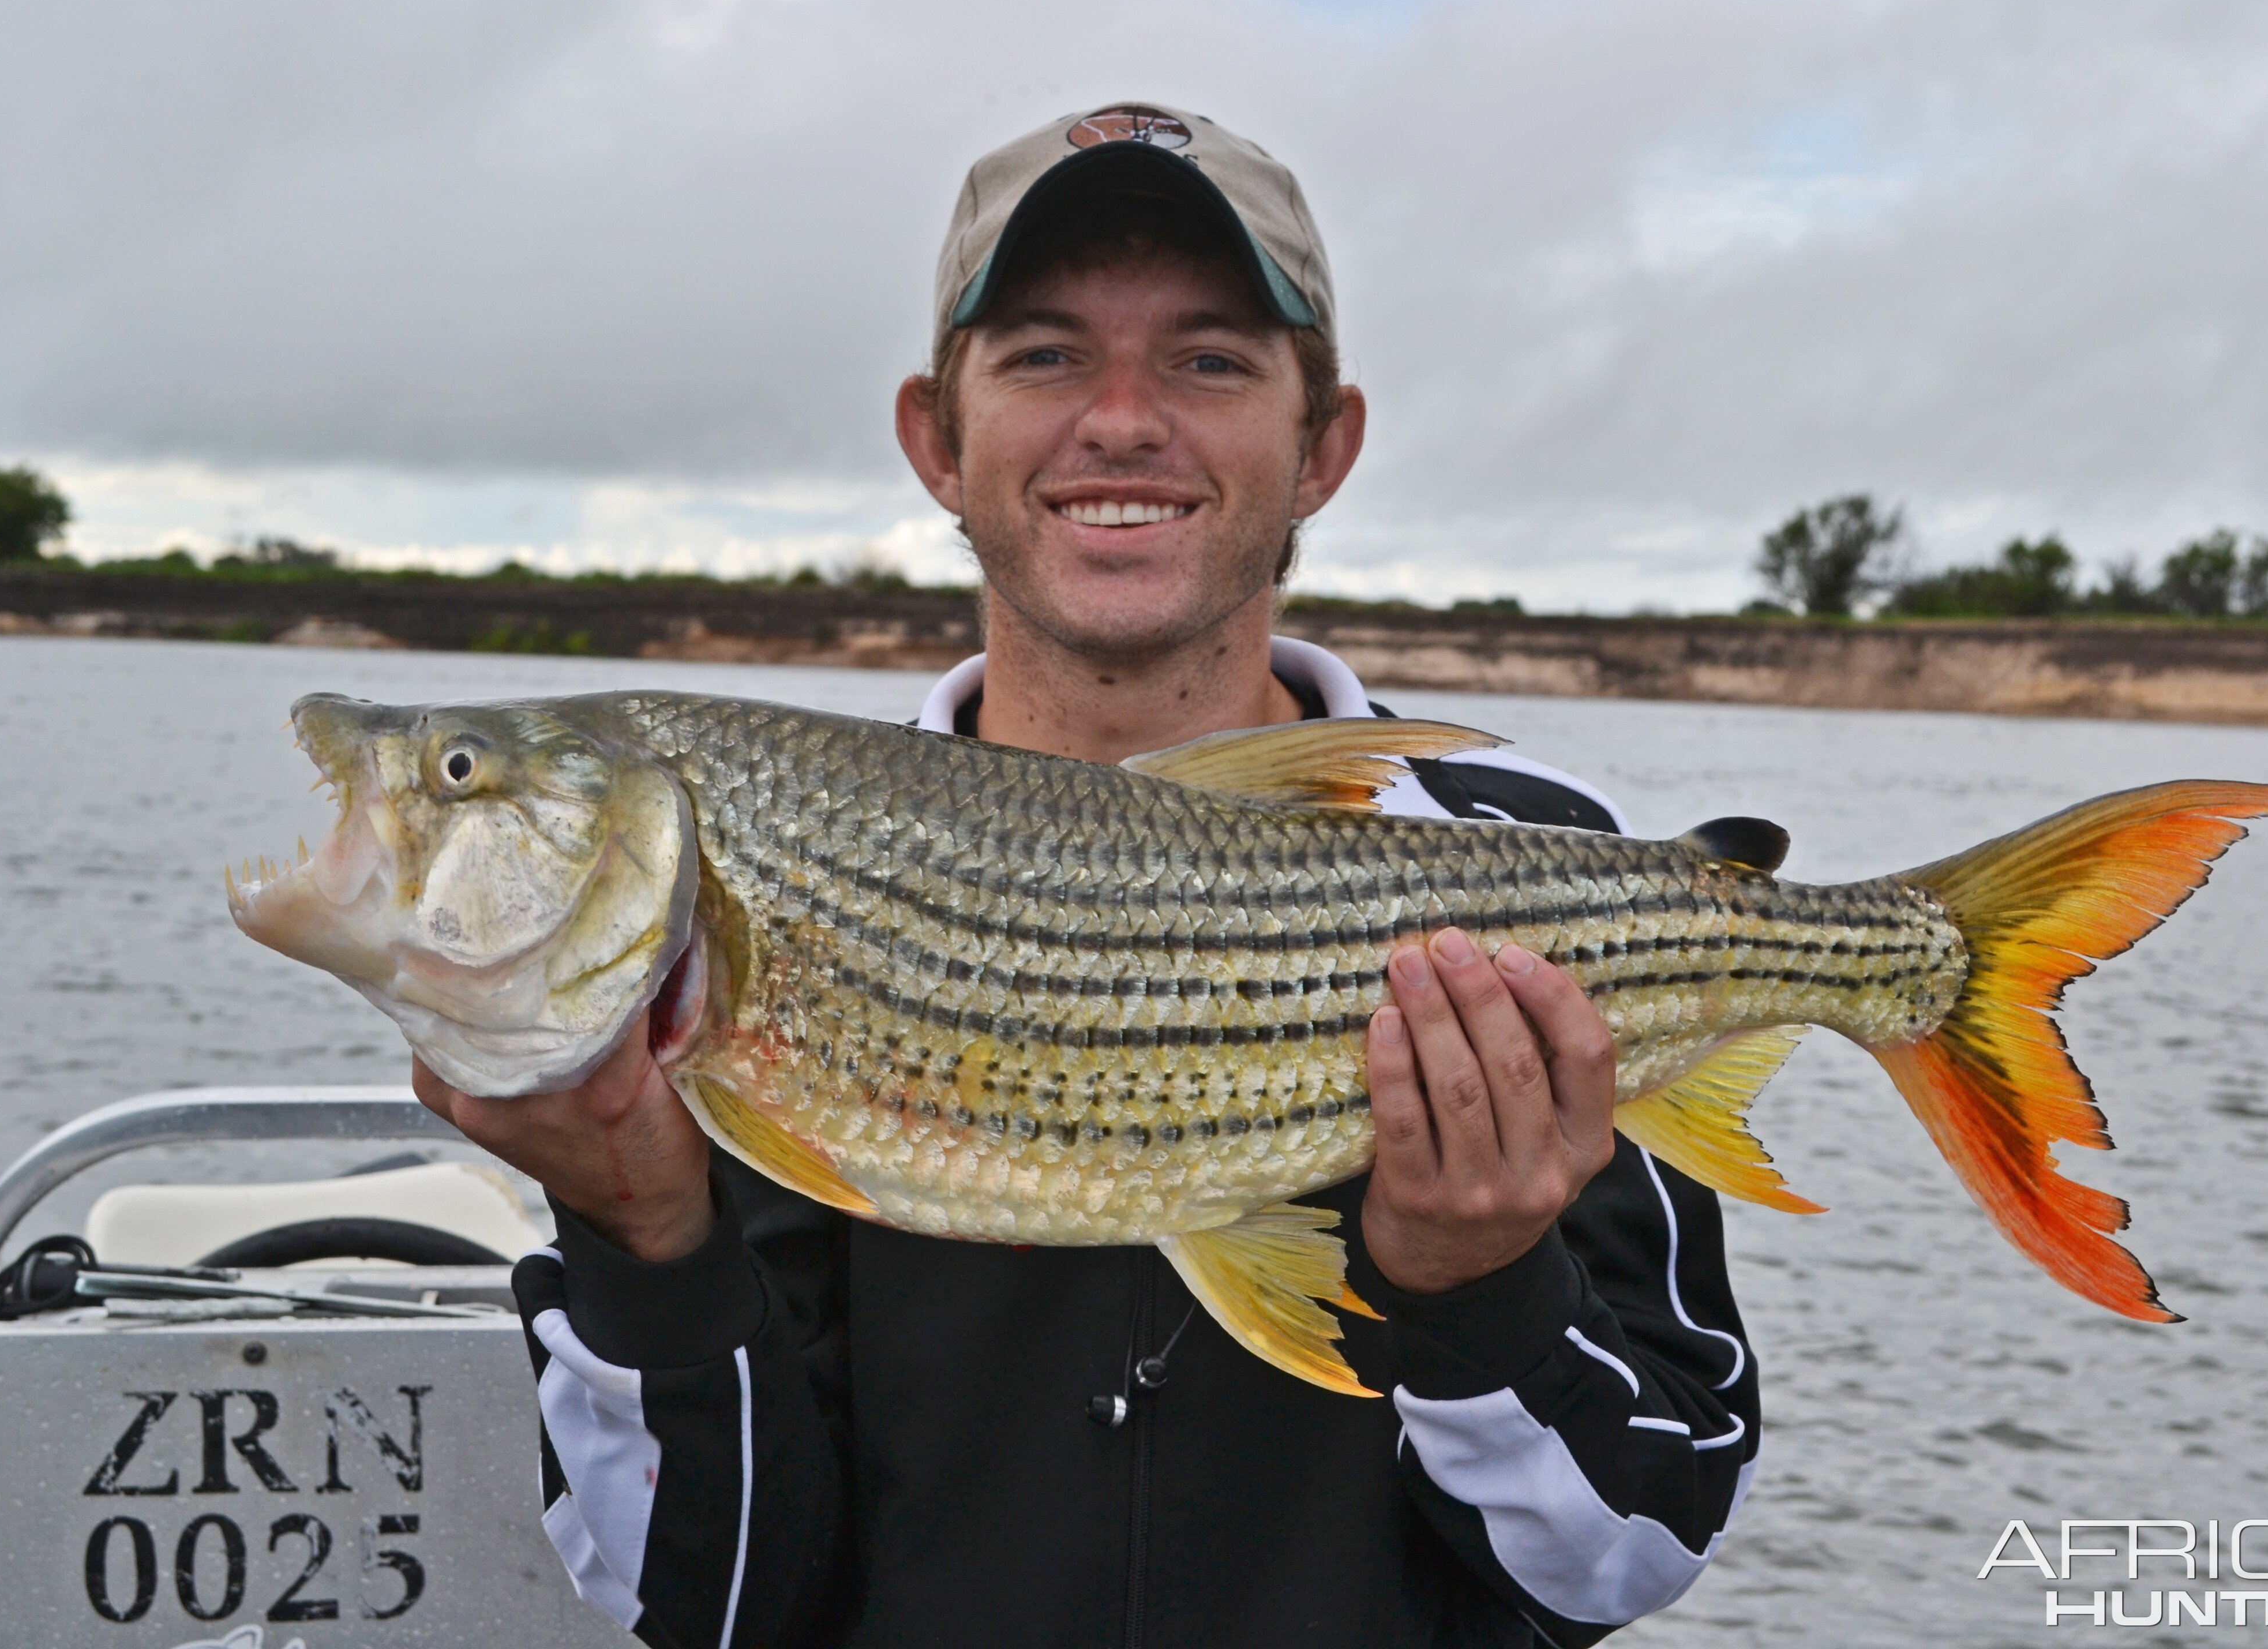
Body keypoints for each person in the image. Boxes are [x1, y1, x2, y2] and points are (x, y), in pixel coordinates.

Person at [415, 102, 1759, 1649]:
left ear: (1323, 444)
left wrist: (1477, 1293)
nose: (1123, 420)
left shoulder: (1535, 868)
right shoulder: (758, 878)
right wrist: (638, 1239)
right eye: (1047, 354)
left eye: (1209, 359)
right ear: (939, 437)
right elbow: (720, 1610)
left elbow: (1635, 1549)